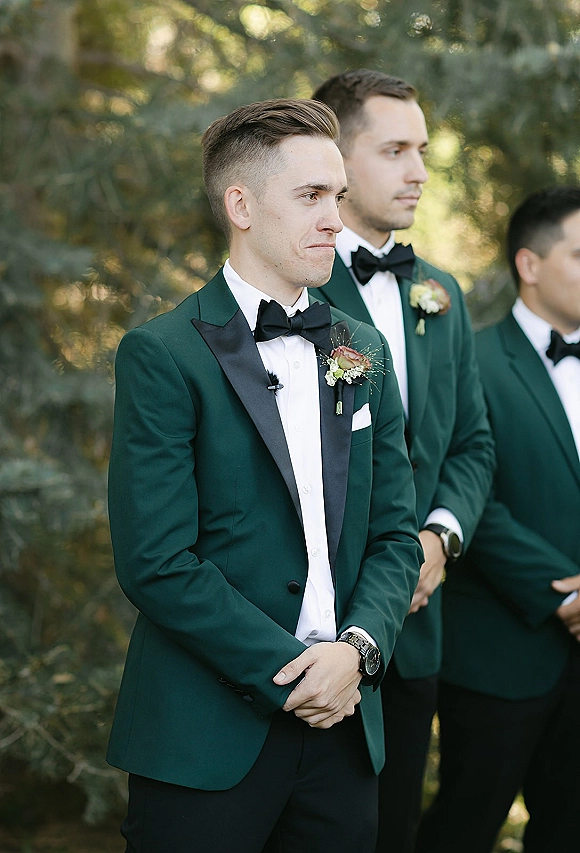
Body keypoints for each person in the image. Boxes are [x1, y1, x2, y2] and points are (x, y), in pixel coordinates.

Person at [106, 97, 423, 853]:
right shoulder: (163, 353)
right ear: (240, 204)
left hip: (345, 730)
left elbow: (393, 533)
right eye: (312, 197)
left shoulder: (362, 348)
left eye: (338, 197)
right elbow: (156, 561)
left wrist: (356, 652)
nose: (335, 221)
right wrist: (296, 671)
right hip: (207, 736)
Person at [311, 70, 495, 852]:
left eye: (421, 149)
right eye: (394, 150)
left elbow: (470, 443)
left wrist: (438, 539)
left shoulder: (441, 295)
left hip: (417, 624)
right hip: (315, 626)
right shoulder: (297, 288)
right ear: (338, 157)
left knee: (393, 831)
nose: (419, 170)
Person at [415, 186, 580, 853]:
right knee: (463, 824)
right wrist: (565, 590)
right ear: (530, 263)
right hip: (498, 651)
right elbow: (466, 490)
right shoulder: (473, 358)